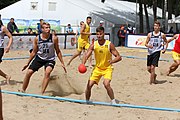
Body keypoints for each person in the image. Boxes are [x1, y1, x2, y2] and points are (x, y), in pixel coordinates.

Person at [21, 22, 67, 94]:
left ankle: (42, 93)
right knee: (29, 72)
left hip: (50, 59)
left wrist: (62, 63)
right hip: (39, 58)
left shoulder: (54, 38)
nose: (48, 29)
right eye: (46, 28)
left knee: (47, 72)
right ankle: (23, 90)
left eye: (49, 27)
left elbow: (58, 51)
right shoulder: (37, 38)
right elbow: (34, 52)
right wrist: (27, 63)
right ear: (42, 29)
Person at [82, 26, 122, 104]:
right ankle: (87, 101)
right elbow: (86, 55)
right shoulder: (94, 44)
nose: (99, 36)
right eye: (97, 34)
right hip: (97, 68)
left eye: (100, 34)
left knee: (106, 84)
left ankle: (113, 101)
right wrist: (83, 64)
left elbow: (119, 57)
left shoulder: (109, 44)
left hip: (107, 68)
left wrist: (112, 61)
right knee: (89, 85)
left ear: (104, 34)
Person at [0, 20, 13, 84]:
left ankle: (6, 76)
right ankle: (6, 76)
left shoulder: (3, 28)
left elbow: (10, 37)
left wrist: (8, 46)